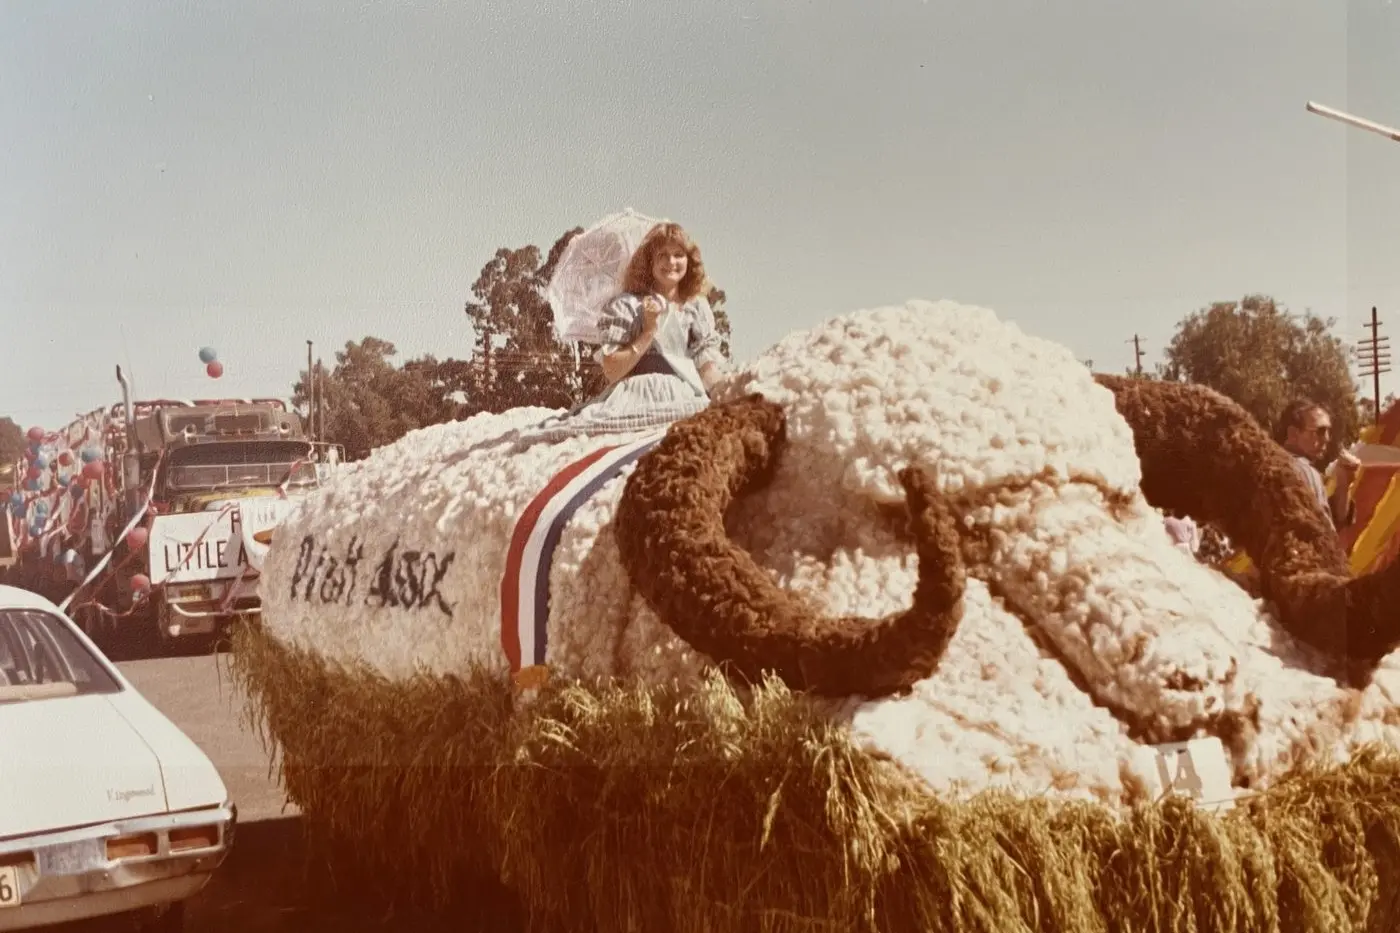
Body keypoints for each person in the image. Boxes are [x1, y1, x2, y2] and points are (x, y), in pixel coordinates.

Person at [497, 221, 727, 448]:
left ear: (690, 260)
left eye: (679, 254)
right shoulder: (626, 306)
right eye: (662, 255)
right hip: (636, 395)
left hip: (684, 391)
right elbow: (612, 370)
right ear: (650, 262)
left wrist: (722, 390)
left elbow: (705, 362)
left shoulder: (696, 307)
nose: (671, 262)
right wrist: (648, 331)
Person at [1276, 398, 1360, 529]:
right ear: (1293, 434)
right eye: (1320, 431)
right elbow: (1325, 535)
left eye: (1328, 432)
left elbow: (1333, 520)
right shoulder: (1304, 470)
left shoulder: (1272, 465)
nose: (1326, 438)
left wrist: (1344, 483)